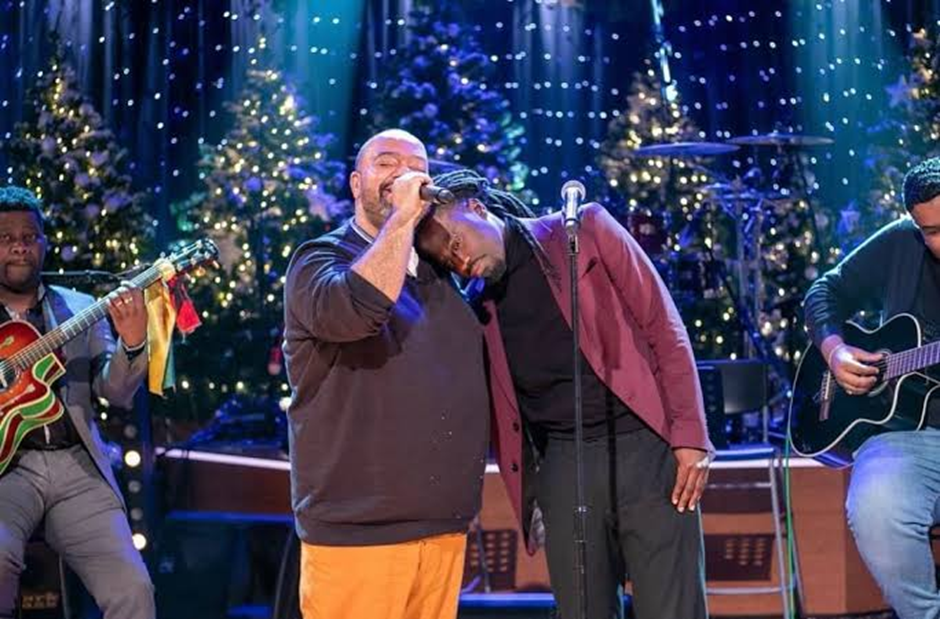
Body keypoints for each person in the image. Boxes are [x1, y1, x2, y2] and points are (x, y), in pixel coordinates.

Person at [414, 169, 713, 619]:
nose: (460, 260)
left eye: (457, 242)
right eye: (447, 260)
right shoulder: (478, 308)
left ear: (477, 208)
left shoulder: (582, 232)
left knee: (672, 608)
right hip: (563, 464)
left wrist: (689, 434)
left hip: (643, 448)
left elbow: (663, 326)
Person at [282, 130, 490, 619]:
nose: (404, 174)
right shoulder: (318, 261)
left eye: (417, 166)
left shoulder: (441, 275)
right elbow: (357, 312)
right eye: (386, 163)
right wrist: (401, 219)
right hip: (358, 533)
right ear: (356, 184)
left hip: (442, 527)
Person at [0, 186, 154, 619]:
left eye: (29, 236)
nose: (19, 246)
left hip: (77, 468)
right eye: (6, 237)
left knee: (133, 589)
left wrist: (132, 343)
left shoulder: (81, 309)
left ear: (44, 245)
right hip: (7, 472)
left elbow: (115, 392)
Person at [803, 156, 940, 619]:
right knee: (876, 506)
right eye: (932, 232)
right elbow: (824, 292)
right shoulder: (902, 242)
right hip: (905, 435)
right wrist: (835, 351)